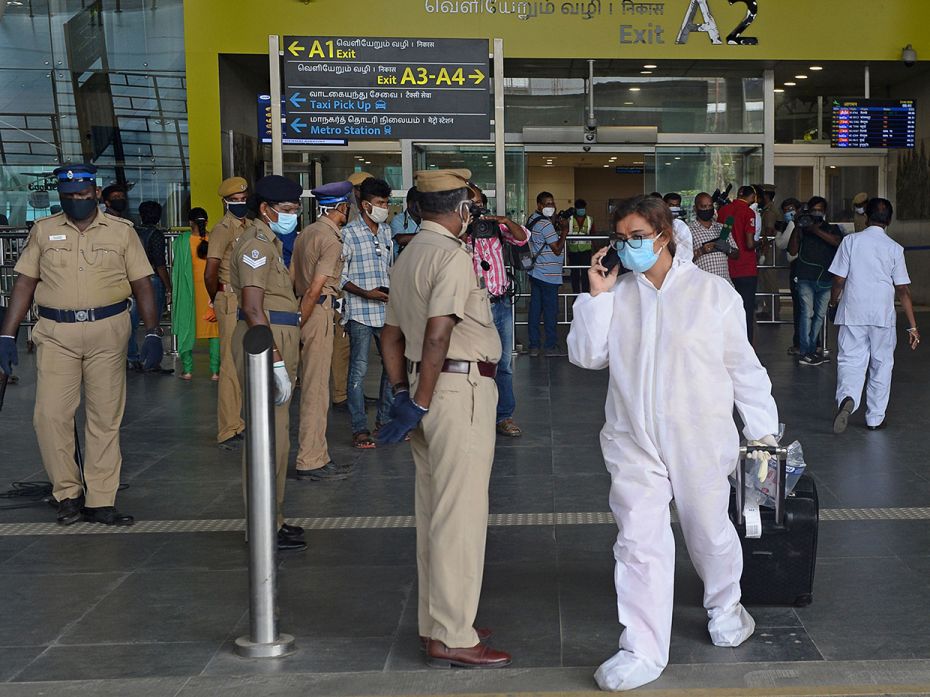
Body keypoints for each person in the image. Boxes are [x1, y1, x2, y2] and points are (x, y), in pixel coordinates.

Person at [567, 195, 778, 691]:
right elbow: (585, 357)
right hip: (633, 440)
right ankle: (641, 648)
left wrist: (763, 432)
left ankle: (726, 607)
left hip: (700, 439)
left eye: (638, 236)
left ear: (664, 235)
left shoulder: (713, 294)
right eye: (621, 239)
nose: (629, 247)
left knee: (708, 533)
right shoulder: (618, 295)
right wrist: (595, 296)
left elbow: (743, 369)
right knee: (639, 543)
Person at [377, 168, 510, 669]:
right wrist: (426, 399)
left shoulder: (409, 252)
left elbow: (391, 335)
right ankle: (454, 634)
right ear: (460, 210)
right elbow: (437, 334)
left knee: (435, 512)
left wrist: (402, 395)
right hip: (458, 391)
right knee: (460, 518)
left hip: (424, 389)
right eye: (470, 206)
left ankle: (440, 622)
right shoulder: (451, 257)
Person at [0, 163, 162, 527]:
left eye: (84, 195)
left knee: (104, 418)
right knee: (49, 415)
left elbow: (142, 283)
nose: (77, 201)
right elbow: (25, 283)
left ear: (96, 193)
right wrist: (7, 335)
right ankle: (67, 493)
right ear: (61, 195)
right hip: (57, 333)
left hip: (109, 330)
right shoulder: (44, 231)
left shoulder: (121, 232)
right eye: (70, 196)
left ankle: (101, 500)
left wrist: (152, 332)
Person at [229, 174, 305, 553]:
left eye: (295, 210)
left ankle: (272, 518)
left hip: (277, 334)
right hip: (264, 339)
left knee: (278, 436)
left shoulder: (270, 242)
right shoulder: (255, 245)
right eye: (287, 211)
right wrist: (272, 359)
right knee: (266, 437)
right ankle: (261, 525)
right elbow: (252, 306)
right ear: (266, 209)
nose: (292, 217)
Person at [830, 198, 919, 433]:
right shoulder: (894, 249)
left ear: (866, 217)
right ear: (889, 221)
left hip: (853, 312)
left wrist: (833, 302)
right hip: (882, 314)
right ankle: (875, 418)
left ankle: (848, 397)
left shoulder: (850, 241)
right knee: (882, 364)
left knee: (850, 359)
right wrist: (912, 325)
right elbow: (903, 289)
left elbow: (839, 279)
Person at [291, 181, 355, 481]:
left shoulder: (307, 233)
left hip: (303, 308)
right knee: (316, 390)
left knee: (311, 387)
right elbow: (316, 287)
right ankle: (311, 459)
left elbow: (294, 278)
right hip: (316, 311)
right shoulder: (331, 240)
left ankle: (317, 454)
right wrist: (302, 321)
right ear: (341, 207)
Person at [341, 176, 395, 449]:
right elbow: (339, 277)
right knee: (358, 371)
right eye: (380, 203)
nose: (385, 207)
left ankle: (384, 421)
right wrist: (365, 293)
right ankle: (359, 427)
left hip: (385, 312)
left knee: (392, 366)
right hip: (360, 311)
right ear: (365, 205)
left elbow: (390, 267)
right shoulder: (348, 233)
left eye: (386, 202)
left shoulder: (386, 232)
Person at [469, 188, 527, 437]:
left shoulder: (496, 228)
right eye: (472, 205)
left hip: (501, 303)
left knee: (504, 364)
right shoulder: (457, 232)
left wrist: (505, 221)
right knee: (474, 365)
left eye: (480, 204)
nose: (477, 209)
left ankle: (504, 416)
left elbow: (522, 238)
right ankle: (475, 416)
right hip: (472, 306)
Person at [204, 177, 249, 450]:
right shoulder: (222, 229)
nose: (241, 204)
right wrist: (217, 296)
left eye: (244, 200)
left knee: (244, 362)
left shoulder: (251, 226)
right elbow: (211, 270)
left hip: (247, 297)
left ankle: (239, 421)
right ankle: (229, 427)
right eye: (235, 201)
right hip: (229, 297)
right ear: (225, 202)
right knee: (230, 364)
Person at [789, 196, 842, 366]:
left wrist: (815, 230)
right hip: (805, 277)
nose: (816, 213)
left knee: (819, 316)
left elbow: (836, 242)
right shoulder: (802, 229)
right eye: (814, 210)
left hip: (826, 279)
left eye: (820, 210)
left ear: (825, 212)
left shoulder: (831, 229)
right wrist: (798, 228)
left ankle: (812, 348)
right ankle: (806, 351)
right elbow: (792, 250)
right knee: (806, 314)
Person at [172, 207, 220, 381]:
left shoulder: (182, 241)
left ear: (189, 223)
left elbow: (177, 270)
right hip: (212, 291)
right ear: (206, 222)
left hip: (189, 292)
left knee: (187, 326)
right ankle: (216, 372)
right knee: (215, 330)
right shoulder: (215, 239)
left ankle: (188, 370)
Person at [126, 200, 172, 372]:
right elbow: (160, 264)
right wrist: (168, 286)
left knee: (131, 322)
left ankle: (131, 357)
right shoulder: (156, 235)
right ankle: (151, 361)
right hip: (151, 279)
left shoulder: (133, 232)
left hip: (133, 279)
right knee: (152, 323)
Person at [527, 192, 568, 357]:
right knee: (550, 311)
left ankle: (534, 346)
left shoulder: (532, 219)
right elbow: (557, 249)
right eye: (547, 204)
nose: (551, 207)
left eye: (552, 203)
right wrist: (564, 230)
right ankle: (550, 346)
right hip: (548, 275)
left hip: (536, 271)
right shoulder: (545, 225)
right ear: (539, 206)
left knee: (535, 310)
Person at [718, 185, 758, 342]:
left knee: (726, 309)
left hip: (726, 266)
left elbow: (723, 237)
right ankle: (746, 345)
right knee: (746, 310)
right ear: (752, 196)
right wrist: (759, 244)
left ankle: (727, 343)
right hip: (746, 268)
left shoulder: (724, 211)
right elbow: (749, 244)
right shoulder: (749, 213)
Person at [689, 192, 738, 284]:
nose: (707, 209)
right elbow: (683, 261)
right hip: (702, 285)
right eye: (703, 206)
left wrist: (728, 249)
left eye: (710, 206)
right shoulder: (688, 230)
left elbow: (737, 255)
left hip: (724, 283)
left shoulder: (722, 228)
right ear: (695, 209)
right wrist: (701, 251)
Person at [774, 198, 802, 355]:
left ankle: (799, 343)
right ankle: (814, 343)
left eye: (790, 209)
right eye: (785, 210)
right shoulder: (806, 223)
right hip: (808, 269)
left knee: (799, 308)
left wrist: (779, 231)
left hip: (797, 267)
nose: (788, 213)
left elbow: (781, 244)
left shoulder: (792, 225)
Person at [756, 185, 780, 320]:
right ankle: (768, 310)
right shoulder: (766, 209)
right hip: (767, 249)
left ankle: (773, 313)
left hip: (769, 251)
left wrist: (763, 254)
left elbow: (769, 233)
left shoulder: (770, 211)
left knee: (770, 283)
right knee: (765, 282)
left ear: (765, 196)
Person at [567, 198, 593, 294]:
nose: (581, 210)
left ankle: (585, 294)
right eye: (579, 208)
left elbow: (593, 234)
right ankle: (576, 295)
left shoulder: (590, 220)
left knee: (586, 274)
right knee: (575, 275)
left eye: (583, 208)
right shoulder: (569, 219)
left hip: (586, 251)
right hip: (573, 251)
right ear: (576, 209)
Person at [390, 186, 421, 256]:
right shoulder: (398, 220)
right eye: (420, 204)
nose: (423, 207)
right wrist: (427, 235)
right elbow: (401, 239)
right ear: (410, 204)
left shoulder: (426, 219)